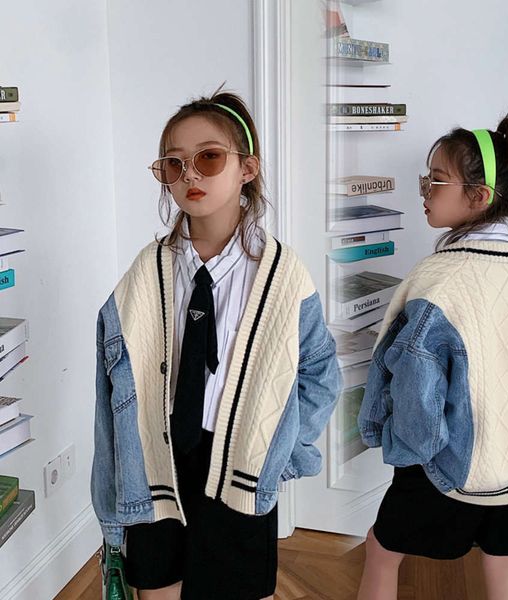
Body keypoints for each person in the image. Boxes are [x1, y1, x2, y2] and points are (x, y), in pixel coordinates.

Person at [91, 86, 342, 600]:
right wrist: (112, 499)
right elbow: (109, 392)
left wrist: (282, 451)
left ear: (247, 168)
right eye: (174, 164)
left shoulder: (282, 276)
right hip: (156, 459)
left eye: (208, 157)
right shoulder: (145, 273)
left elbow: (319, 372)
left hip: (238, 460)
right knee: (157, 586)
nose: (190, 175)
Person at [356, 113, 508, 600]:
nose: (424, 190)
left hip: (443, 468)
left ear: (479, 196)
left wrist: (403, 453)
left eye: (437, 180)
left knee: (380, 551)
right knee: (502, 566)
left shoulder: (440, 281)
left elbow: (415, 388)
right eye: (425, 178)